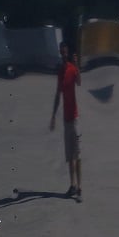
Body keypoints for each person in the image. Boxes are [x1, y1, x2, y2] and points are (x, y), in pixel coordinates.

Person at [50, 42, 82, 201]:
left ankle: (80, 187)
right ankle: (72, 185)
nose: (63, 54)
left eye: (65, 52)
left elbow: (79, 82)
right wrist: (53, 116)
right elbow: (57, 94)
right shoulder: (60, 72)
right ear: (60, 53)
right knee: (70, 155)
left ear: (67, 53)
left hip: (75, 118)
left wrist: (77, 65)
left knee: (77, 153)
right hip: (66, 119)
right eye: (61, 52)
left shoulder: (71, 68)